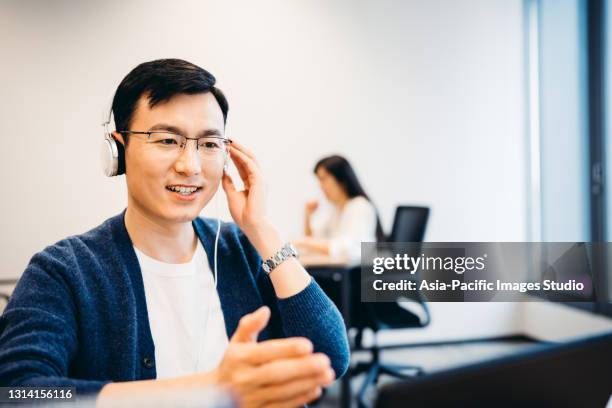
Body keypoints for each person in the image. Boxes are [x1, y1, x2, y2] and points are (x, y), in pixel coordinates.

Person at [0, 59, 349, 408]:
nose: (190, 166)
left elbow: (330, 359)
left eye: (210, 144)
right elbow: (17, 393)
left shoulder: (242, 249)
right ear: (118, 149)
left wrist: (261, 229)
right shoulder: (64, 271)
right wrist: (210, 389)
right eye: (167, 140)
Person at [294, 155, 384, 266]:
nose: (320, 186)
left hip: (358, 275)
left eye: (324, 179)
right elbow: (315, 240)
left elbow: (350, 249)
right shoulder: (336, 209)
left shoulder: (360, 206)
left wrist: (304, 242)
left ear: (341, 179)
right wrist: (307, 216)